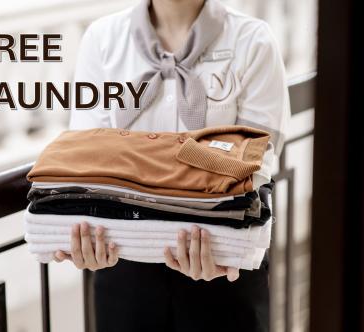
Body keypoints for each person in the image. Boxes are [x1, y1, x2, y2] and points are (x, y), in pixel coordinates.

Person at [54, 0, 290, 331]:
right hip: (125, 270)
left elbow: (255, 168)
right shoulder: (102, 39)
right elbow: (89, 160)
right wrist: (83, 230)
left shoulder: (252, 41)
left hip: (223, 269)